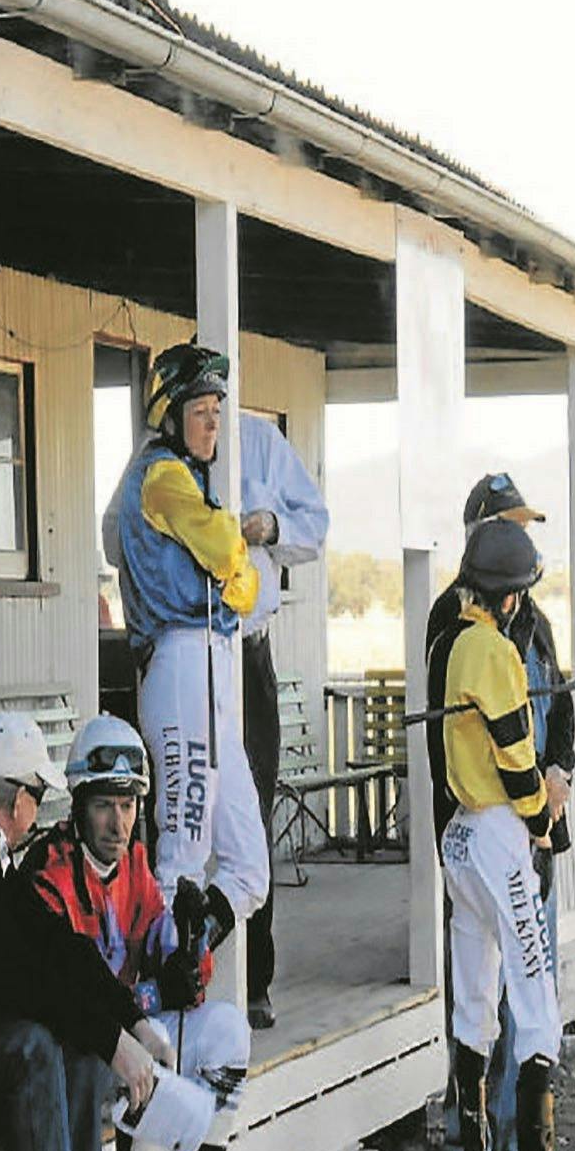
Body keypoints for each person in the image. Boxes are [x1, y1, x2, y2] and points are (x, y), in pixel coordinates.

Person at [8, 715, 269, 1151]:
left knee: (226, 1032)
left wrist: (189, 946)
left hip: (126, 1037)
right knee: (148, 1057)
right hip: (79, 1054)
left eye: (128, 805)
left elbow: (163, 946)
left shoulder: (134, 864)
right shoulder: (48, 875)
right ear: (78, 804)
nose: (118, 821)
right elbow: (81, 997)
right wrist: (150, 994)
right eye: (105, 804)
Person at [429, 519, 575, 1151]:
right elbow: (514, 755)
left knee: (475, 1004)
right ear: (508, 597)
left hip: (458, 838)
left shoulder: (446, 644)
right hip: (499, 834)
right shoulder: (493, 650)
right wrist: (545, 816)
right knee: (535, 1006)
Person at [100, 342, 269, 970]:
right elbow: (230, 553)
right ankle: (151, 997)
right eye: (200, 410)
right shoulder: (162, 474)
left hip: (214, 662)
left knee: (249, 866)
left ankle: (185, 962)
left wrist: (235, 571)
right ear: (170, 415)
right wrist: (233, 565)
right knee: (182, 852)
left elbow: (244, 588)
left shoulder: (189, 481)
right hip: (178, 659)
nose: (211, 423)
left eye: (216, 411)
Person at [228, 409, 329, 1029]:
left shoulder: (260, 441)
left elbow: (314, 527)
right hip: (184, 652)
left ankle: (253, 979)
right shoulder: (158, 455)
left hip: (247, 651)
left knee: (253, 814)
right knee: (188, 813)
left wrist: (270, 526)